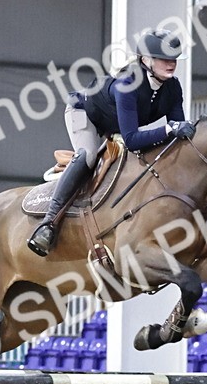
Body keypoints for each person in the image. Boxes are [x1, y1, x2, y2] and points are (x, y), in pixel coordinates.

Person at [27, 29, 198, 257]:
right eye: (164, 59)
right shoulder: (127, 84)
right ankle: (48, 224)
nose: (171, 63)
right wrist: (169, 129)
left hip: (117, 125)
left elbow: (176, 134)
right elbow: (133, 139)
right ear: (146, 60)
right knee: (87, 156)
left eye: (174, 59)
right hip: (85, 114)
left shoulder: (173, 88)